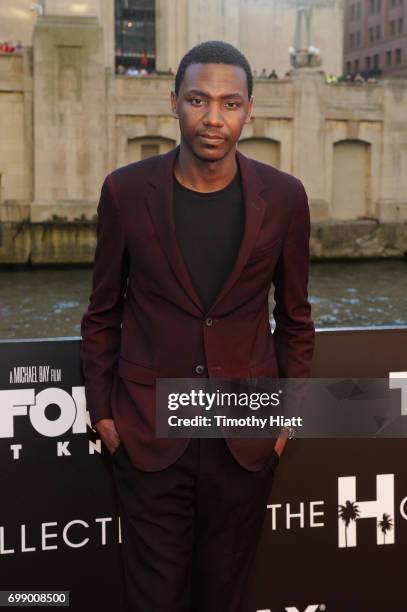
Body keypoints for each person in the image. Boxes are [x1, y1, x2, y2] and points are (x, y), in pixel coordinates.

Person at [80, 40, 315, 612]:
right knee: (152, 600)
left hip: (243, 436)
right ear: (174, 103)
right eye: (198, 99)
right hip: (149, 435)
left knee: (225, 600)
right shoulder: (126, 191)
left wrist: (285, 421)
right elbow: (102, 313)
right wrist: (105, 415)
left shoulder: (284, 198)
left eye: (230, 103)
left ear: (250, 110)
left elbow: (296, 319)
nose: (213, 117)